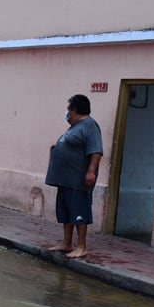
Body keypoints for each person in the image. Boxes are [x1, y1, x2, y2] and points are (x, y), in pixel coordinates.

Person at [45, 93, 103, 258]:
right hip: (65, 180)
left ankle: (82, 246)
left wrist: (91, 171)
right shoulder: (74, 127)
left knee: (79, 211)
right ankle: (66, 243)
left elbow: (96, 151)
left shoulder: (89, 125)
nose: (67, 113)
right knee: (65, 211)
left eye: (69, 109)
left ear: (75, 110)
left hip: (78, 180)